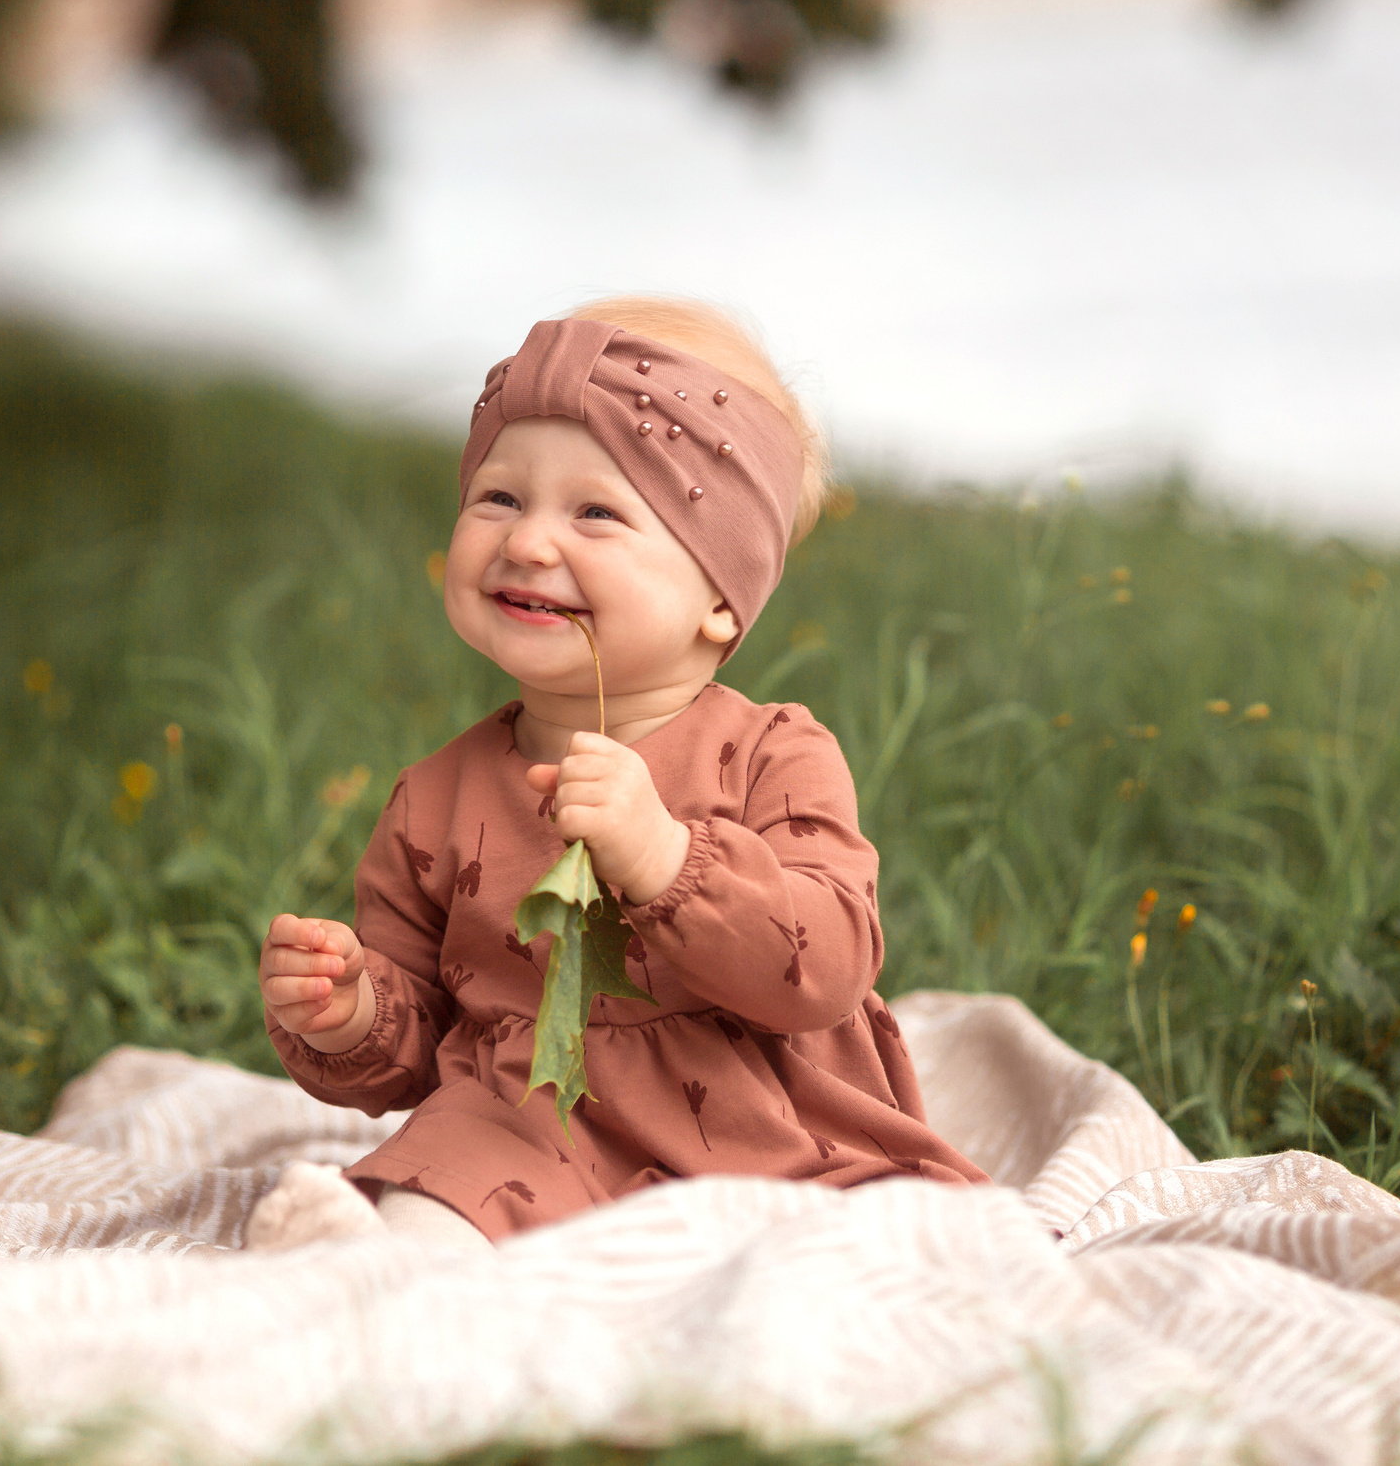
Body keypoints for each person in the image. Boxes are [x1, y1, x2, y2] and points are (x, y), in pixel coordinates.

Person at [249, 297, 987, 1253]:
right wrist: (350, 1012)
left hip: (765, 1128)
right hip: (528, 1119)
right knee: (434, 1189)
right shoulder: (437, 797)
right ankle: (386, 1284)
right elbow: (420, 1052)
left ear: (721, 600)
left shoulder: (775, 755)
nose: (526, 542)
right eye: (499, 497)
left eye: (596, 511)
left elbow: (829, 965)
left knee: (889, 1246)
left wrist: (669, 857)